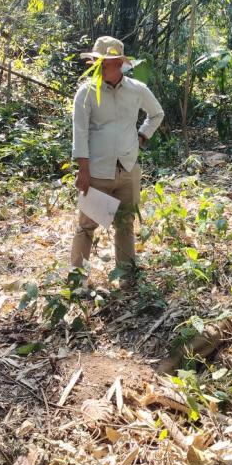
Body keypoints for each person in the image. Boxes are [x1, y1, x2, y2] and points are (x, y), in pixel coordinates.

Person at [71, 36, 164, 286]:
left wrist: (143, 135)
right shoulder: (87, 92)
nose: (101, 67)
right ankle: (76, 281)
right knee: (87, 226)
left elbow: (156, 114)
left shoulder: (136, 89)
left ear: (120, 63)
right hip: (97, 171)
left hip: (128, 168)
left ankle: (127, 278)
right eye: (97, 62)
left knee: (125, 223)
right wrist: (83, 171)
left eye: (107, 63)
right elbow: (79, 132)